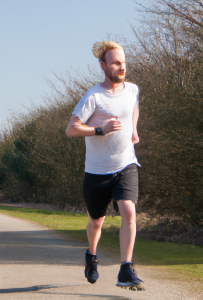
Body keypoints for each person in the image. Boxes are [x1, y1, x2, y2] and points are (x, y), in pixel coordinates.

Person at [65, 41, 144, 291]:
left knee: (129, 213)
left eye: (123, 62)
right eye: (116, 63)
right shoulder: (93, 96)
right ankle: (91, 255)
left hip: (126, 165)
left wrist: (134, 128)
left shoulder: (132, 89)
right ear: (103, 66)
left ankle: (126, 269)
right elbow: (71, 129)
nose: (122, 67)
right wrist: (100, 129)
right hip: (97, 172)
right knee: (96, 222)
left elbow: (134, 107)